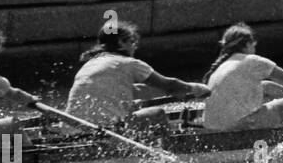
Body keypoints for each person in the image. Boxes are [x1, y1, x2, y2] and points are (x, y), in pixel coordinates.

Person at [66, 21, 208, 127]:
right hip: (104, 129)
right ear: (121, 42)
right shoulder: (129, 63)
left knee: (134, 111)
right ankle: (167, 155)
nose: (135, 47)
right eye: (132, 41)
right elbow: (169, 85)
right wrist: (197, 89)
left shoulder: (90, 64)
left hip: (73, 127)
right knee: (157, 113)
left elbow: (121, 91)